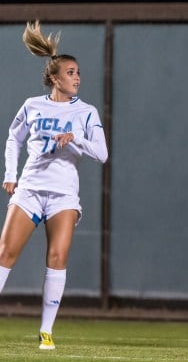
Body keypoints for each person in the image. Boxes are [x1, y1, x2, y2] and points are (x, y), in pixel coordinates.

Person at [0, 21, 108, 350]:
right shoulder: (33, 106)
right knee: (5, 253)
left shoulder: (86, 113)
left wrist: (75, 139)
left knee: (58, 256)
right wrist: (10, 174)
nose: (77, 78)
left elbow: (102, 154)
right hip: (30, 189)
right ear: (54, 78)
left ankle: (46, 331)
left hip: (63, 194)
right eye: (71, 72)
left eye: (78, 73)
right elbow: (12, 139)